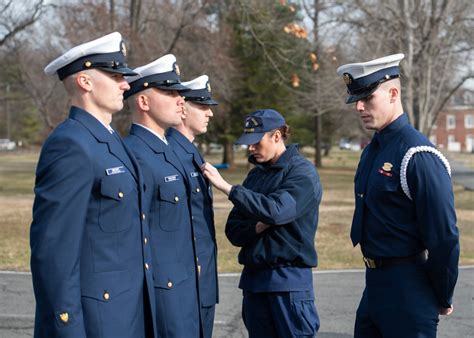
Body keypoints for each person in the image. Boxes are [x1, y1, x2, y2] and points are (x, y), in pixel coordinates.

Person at [30, 32, 156, 337]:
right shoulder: (70, 144)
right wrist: (68, 328)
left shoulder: (112, 139)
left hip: (127, 313)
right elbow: (54, 253)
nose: (125, 84)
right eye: (115, 75)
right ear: (85, 82)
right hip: (95, 320)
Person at [336, 54, 460, 337]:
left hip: (409, 287)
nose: (359, 106)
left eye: (367, 98)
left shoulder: (417, 154)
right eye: (356, 99)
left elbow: (443, 236)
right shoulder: (372, 150)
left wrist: (442, 294)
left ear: (393, 93)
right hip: (374, 284)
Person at [201, 109, 321, 338]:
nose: (250, 148)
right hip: (254, 282)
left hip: (288, 282)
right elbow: (234, 230)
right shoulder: (255, 176)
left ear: (276, 136)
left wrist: (228, 188)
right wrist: (258, 225)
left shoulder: (301, 172)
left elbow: (277, 212)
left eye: (256, 142)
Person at [124, 55, 202, 338]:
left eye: (180, 93)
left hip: (185, 287)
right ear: (143, 102)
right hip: (162, 293)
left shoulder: (171, 150)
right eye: (169, 92)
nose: (181, 99)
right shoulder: (135, 154)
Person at [166, 74, 219, 338]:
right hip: (184, 283)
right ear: (182, 107)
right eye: (202, 105)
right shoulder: (172, 152)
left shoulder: (190, 152)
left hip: (202, 282)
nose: (209, 113)